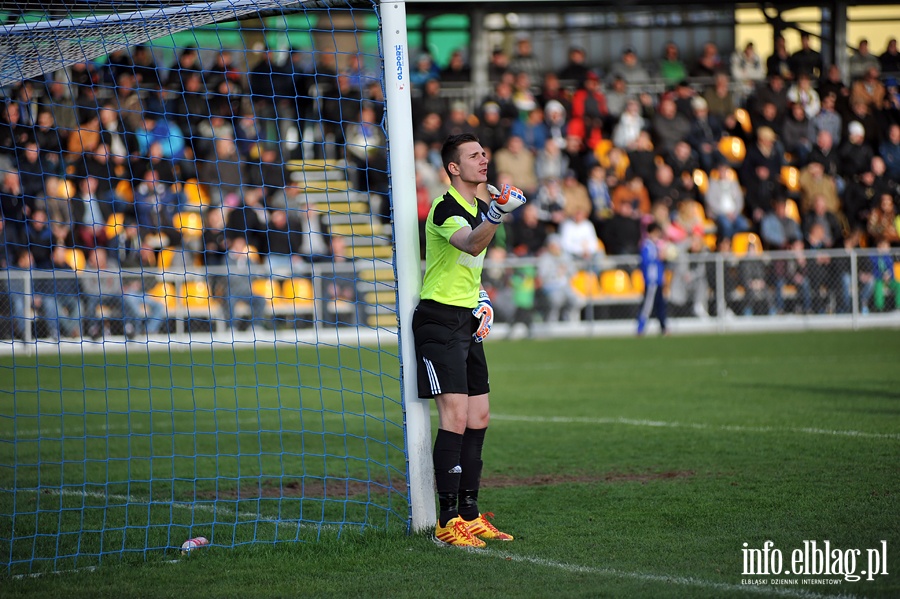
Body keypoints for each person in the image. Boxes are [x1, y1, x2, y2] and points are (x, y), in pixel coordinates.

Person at [412, 133, 525, 548]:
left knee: (479, 417)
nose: (484, 159)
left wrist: (482, 299)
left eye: (484, 153)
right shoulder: (446, 208)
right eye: (473, 155)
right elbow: (470, 243)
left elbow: (467, 266)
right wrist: (497, 212)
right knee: (455, 417)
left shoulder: (479, 206)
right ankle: (446, 521)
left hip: (465, 317)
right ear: (454, 168)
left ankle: (471, 514)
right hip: (439, 320)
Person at [637, 222, 667, 336]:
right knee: (648, 305)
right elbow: (646, 262)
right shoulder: (647, 246)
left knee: (660, 305)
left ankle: (663, 327)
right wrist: (658, 257)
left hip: (658, 281)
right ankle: (640, 328)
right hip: (652, 281)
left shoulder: (655, 246)